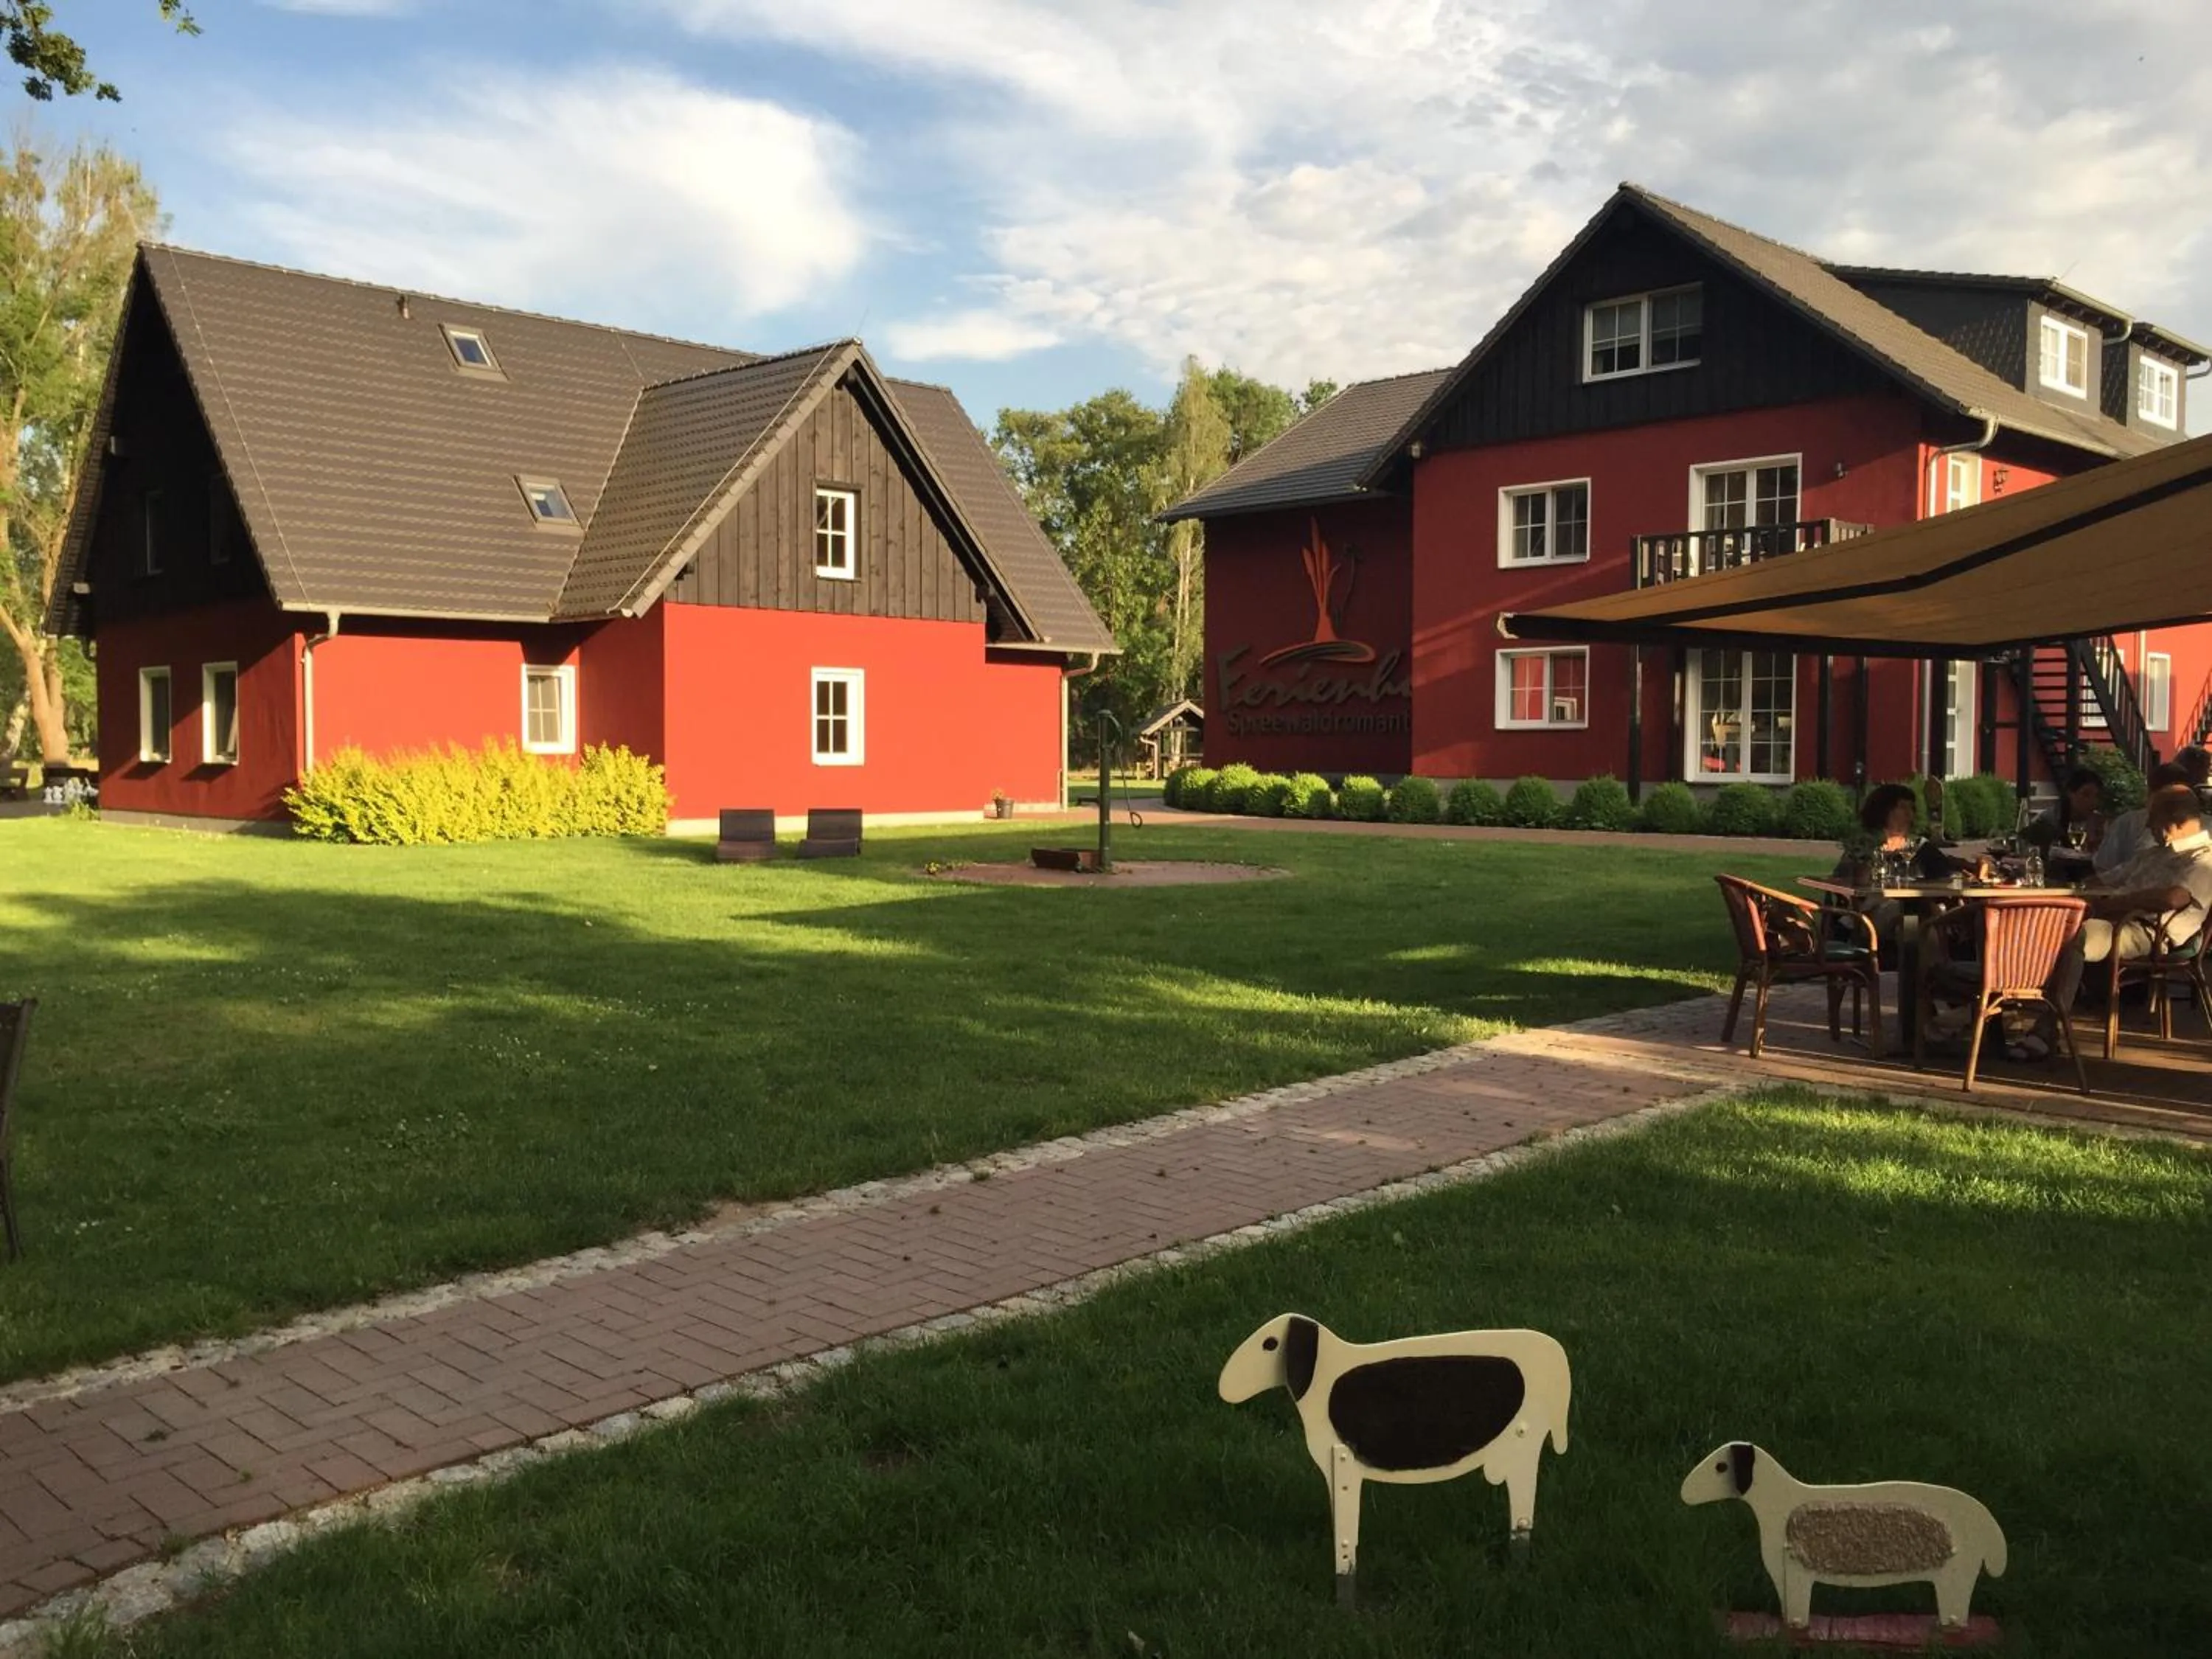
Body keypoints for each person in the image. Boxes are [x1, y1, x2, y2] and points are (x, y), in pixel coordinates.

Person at [2050, 785, 2212, 1009]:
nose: (2146, 825)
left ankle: (2048, 1027)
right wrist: (2056, 889)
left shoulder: (2204, 859)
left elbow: (2173, 898)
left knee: (2073, 935)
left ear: (2177, 819)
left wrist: (2112, 905)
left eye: (2152, 818)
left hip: (2146, 932)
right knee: (2043, 927)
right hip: (2114, 921)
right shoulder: (2154, 854)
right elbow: (2104, 879)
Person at [2093, 761, 2195, 874]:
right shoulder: (2147, 854)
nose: (2149, 825)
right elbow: (2106, 871)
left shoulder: (2129, 822)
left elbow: (2104, 866)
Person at [2025, 766, 2105, 855]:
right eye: (2086, 794)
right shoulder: (2049, 821)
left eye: (2096, 796)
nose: (2092, 801)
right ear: (2070, 794)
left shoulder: (2099, 823)